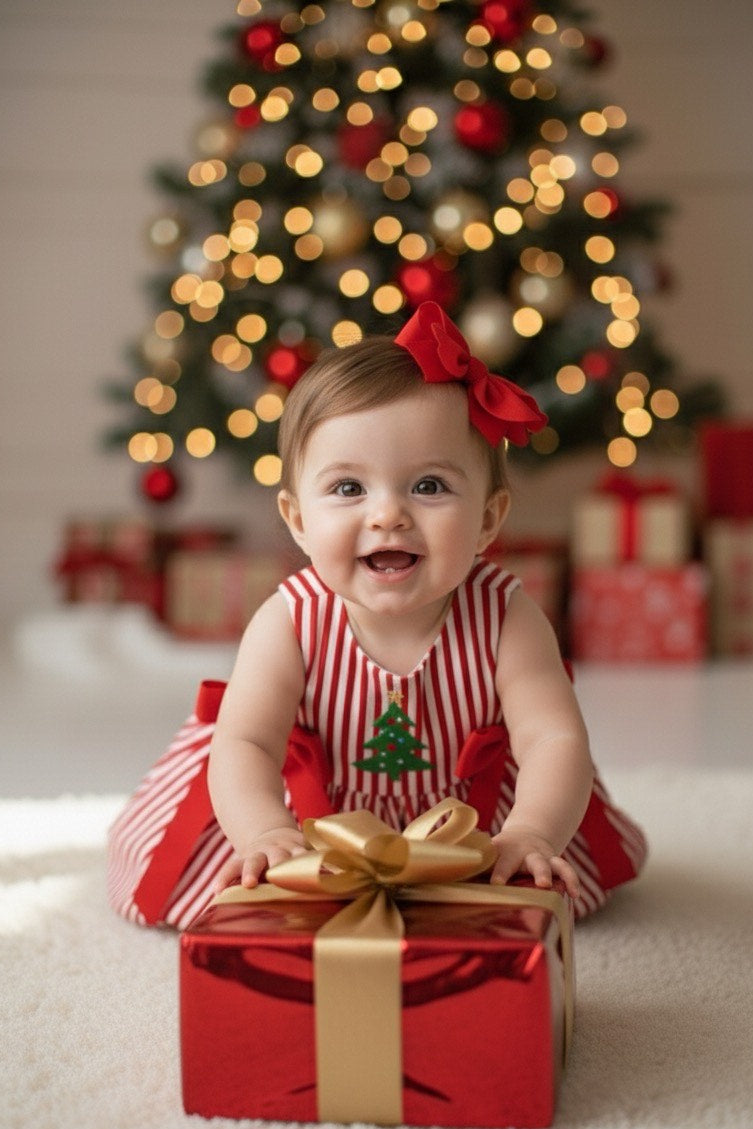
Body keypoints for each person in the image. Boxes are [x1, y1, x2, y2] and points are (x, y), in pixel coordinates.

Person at [107, 301, 646, 929]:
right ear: (299, 520)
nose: (388, 514)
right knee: (241, 892)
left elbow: (552, 738)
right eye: (348, 488)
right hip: (309, 818)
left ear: (488, 520)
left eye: (429, 486)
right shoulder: (288, 622)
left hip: (472, 818)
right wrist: (264, 831)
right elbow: (246, 742)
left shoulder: (508, 616)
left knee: (508, 902)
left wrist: (531, 830)